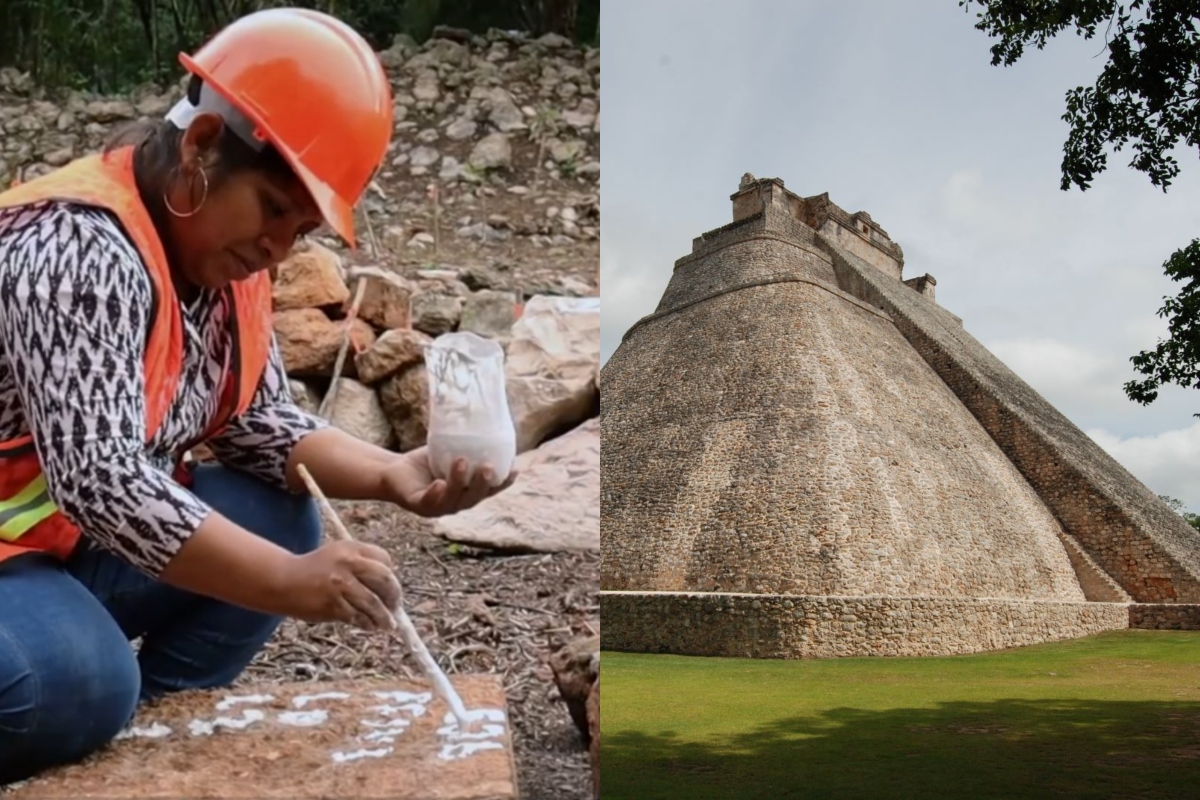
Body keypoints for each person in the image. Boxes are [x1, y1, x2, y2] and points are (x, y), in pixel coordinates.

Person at [0, 7, 513, 786]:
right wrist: (285, 583)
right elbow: (102, 482)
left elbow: (258, 424)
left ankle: (146, 752)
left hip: (49, 552)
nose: (279, 247)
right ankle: (82, 698)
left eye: (301, 231)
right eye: (274, 210)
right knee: (83, 682)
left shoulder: (222, 264)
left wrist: (394, 476)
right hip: (38, 546)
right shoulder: (78, 247)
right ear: (202, 148)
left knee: (279, 513)